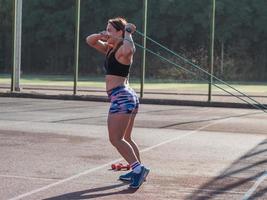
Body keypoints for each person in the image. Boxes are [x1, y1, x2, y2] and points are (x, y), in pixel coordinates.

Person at [86, 17, 149, 189]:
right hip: (127, 97)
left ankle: (138, 170)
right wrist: (104, 35)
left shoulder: (122, 50)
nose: (107, 32)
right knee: (126, 137)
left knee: (116, 139)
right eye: (106, 29)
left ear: (120, 32)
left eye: (110, 30)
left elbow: (131, 49)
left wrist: (128, 34)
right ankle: (138, 169)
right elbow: (90, 40)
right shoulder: (110, 48)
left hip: (121, 97)